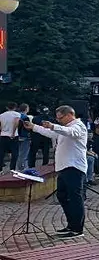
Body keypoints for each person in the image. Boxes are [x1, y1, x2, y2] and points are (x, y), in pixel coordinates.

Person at [26, 106, 88, 238]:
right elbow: (51, 133)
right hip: (63, 167)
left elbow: (71, 132)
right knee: (62, 195)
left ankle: (77, 228)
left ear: (70, 114)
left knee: (75, 197)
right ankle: (71, 224)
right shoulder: (63, 128)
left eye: (61, 118)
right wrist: (34, 127)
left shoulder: (78, 126)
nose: (59, 120)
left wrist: (53, 126)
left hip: (74, 167)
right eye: (57, 118)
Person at [0, 102, 22, 173]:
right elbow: (16, 122)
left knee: (1, 153)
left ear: (7, 107)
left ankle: (0, 169)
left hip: (3, 135)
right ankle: (12, 169)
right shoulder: (17, 114)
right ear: (15, 107)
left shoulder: (1, 115)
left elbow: (1, 125)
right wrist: (13, 132)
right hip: (13, 135)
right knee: (14, 153)